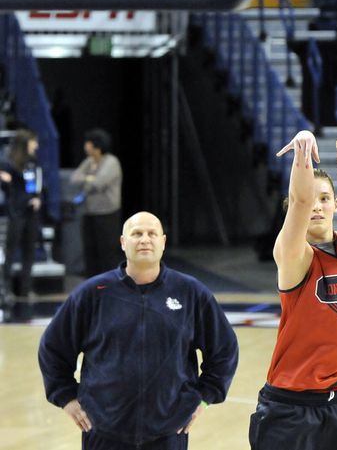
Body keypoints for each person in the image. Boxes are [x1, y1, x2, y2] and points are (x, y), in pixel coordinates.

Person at [38, 211, 238, 450]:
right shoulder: (93, 293)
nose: (145, 239)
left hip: (167, 433)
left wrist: (204, 398)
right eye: (136, 234)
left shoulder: (191, 292)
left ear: (163, 242)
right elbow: (52, 349)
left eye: (152, 233)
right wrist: (66, 397)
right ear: (123, 243)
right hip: (103, 431)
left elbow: (224, 350)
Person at [249, 130, 337, 450]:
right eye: (312, 200)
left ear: (336, 204)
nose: (317, 207)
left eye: (325, 199)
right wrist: (303, 153)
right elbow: (301, 200)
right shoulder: (294, 255)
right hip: (289, 406)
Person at [70, 128, 122, 277]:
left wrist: (88, 178)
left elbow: (99, 183)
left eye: (88, 143)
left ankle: (111, 286)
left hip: (106, 214)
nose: (85, 146)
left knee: (107, 252)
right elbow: (75, 178)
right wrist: (89, 178)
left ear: (96, 146)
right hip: (89, 212)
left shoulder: (111, 162)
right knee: (90, 252)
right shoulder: (89, 161)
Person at [0, 128, 42, 300]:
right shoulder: (8, 162)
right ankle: (6, 289)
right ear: (25, 142)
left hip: (31, 211)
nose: (36, 145)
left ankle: (26, 288)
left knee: (29, 250)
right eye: (34, 141)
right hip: (15, 212)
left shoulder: (33, 162)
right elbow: (7, 187)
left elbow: (36, 184)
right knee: (10, 251)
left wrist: (37, 198)